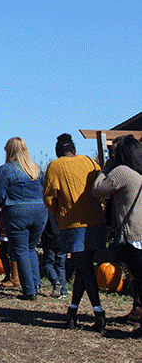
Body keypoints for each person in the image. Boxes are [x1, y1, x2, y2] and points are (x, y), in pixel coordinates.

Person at [44, 133, 107, 332]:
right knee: (84, 266)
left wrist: (59, 211)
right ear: (73, 149)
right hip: (96, 221)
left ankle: (99, 313)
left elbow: (48, 197)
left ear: (58, 151)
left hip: (73, 223)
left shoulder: (55, 166)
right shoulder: (89, 162)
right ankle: (72, 312)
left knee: (84, 267)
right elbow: (101, 184)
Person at [93, 135, 142, 337]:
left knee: (138, 277)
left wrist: (105, 169)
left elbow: (98, 190)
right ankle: (137, 312)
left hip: (133, 233)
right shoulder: (139, 172)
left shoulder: (122, 172)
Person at [0, 137, 47, 301]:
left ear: (9, 150)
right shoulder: (36, 169)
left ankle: (28, 291)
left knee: (20, 250)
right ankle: (36, 283)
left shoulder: (5, 170)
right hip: (40, 211)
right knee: (31, 248)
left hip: (17, 211)